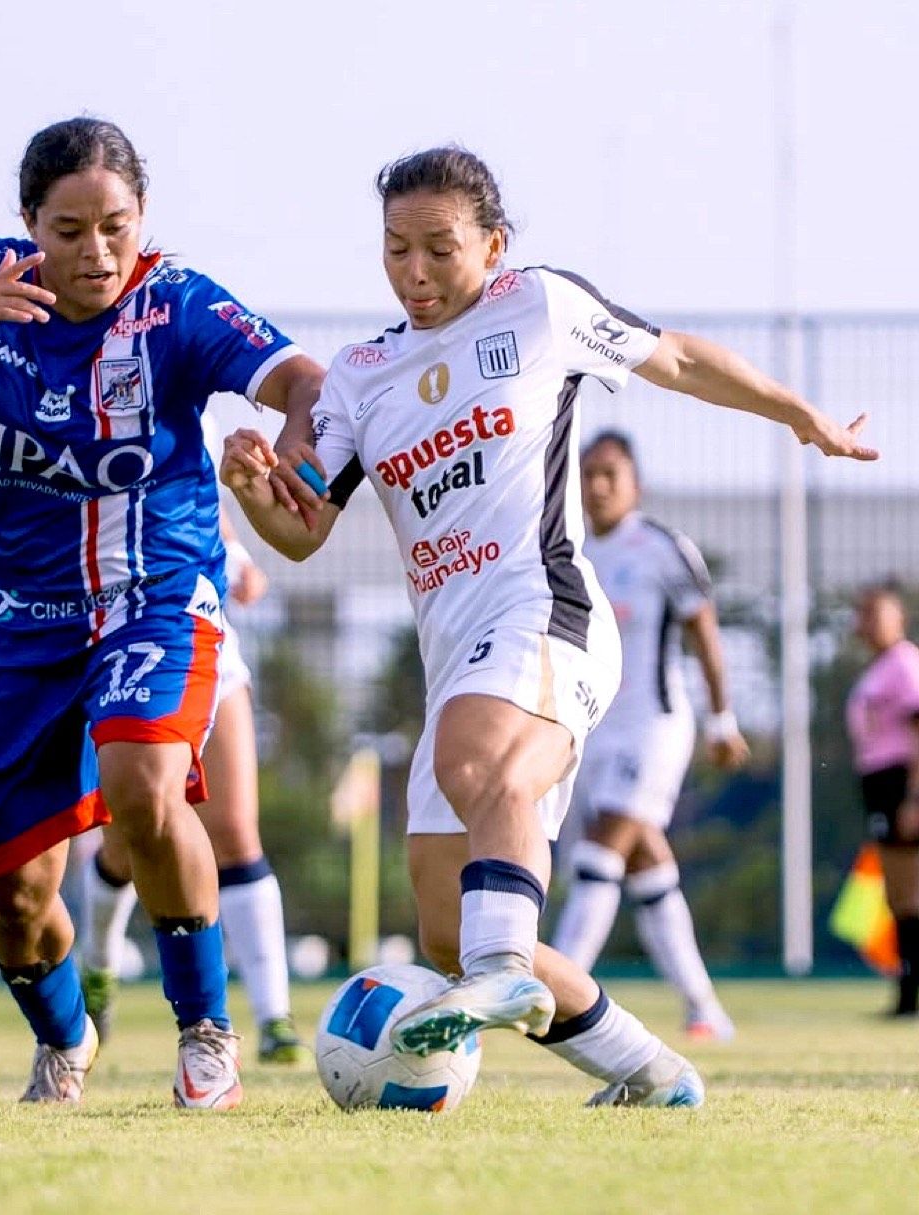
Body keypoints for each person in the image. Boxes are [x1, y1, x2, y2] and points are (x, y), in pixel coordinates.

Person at [221, 145, 874, 1106]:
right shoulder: (359, 376)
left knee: (477, 768)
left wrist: (799, 413)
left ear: (495, 244)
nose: (415, 271)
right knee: (448, 923)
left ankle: (501, 973)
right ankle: (650, 1072)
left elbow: (682, 357)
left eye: (440, 248)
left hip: (549, 609)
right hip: (456, 652)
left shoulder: (539, 307)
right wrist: (252, 491)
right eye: (396, 249)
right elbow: (303, 530)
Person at [0, 117, 327, 1108]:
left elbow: (305, 382)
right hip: (3, 622)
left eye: (116, 224)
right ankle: (65, 1038)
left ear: (141, 218)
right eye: (69, 229)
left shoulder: (177, 304)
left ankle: (206, 1029)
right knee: (17, 902)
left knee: (146, 784)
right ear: (30, 223)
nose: (96, 251)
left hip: (150, 596)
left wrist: (288, 449)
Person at [82, 511, 312, 1064]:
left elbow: (202, 492)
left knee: (234, 829)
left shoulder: (189, 422)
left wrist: (240, 559)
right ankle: (98, 965)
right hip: (113, 630)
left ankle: (272, 1017)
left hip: (194, 622)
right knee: (129, 836)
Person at [550, 431, 746, 1040]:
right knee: (646, 864)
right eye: (588, 473)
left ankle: (553, 993)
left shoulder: (661, 548)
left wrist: (722, 719)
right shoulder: (566, 549)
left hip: (655, 726)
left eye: (611, 473)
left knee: (600, 850)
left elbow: (704, 634)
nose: (598, 485)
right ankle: (704, 1009)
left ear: (636, 484)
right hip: (592, 727)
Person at [844, 583, 919, 1017]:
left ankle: (909, 997)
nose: (868, 623)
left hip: (898, 785)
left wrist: (913, 797)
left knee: (908, 895)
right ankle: (907, 992)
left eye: (878, 613)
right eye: (864, 613)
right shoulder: (881, 666)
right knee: (900, 896)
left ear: (900, 618)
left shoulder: (903, 663)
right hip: (880, 785)